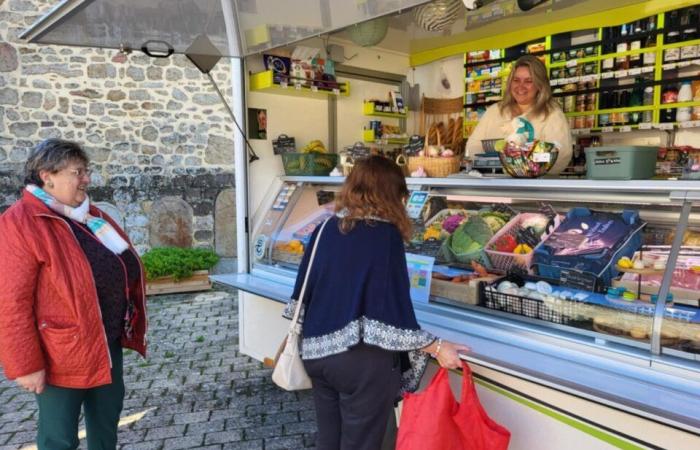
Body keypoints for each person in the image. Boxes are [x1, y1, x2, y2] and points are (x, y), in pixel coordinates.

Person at [283, 155, 470, 450]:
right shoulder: (385, 237)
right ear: (392, 195)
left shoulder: (324, 230)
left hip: (316, 353)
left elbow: (300, 299)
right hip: (360, 364)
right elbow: (390, 315)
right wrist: (436, 347)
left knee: (329, 441)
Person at [0, 139, 147, 450]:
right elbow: (11, 302)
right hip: (59, 354)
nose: (86, 179)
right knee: (59, 439)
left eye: (86, 171)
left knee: (106, 425)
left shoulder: (89, 216)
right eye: (77, 172)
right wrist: (25, 364)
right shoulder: (19, 223)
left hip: (106, 342)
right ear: (46, 176)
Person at [466, 54, 573, 175]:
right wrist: (488, 167)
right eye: (516, 80)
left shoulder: (552, 114)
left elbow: (561, 155)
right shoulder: (494, 111)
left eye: (529, 81)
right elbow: (473, 146)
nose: (520, 87)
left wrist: (528, 169)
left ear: (540, 85)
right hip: (493, 186)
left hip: (534, 190)